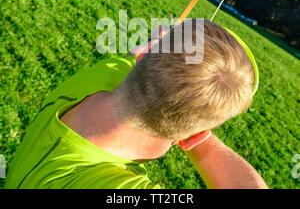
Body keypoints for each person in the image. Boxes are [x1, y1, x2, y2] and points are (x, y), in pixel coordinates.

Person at [4, 19, 267, 189]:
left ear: (143, 59)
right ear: (188, 135)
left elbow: (136, 57)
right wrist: (198, 139)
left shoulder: (102, 75)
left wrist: (163, 45)